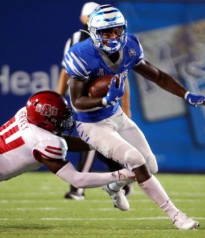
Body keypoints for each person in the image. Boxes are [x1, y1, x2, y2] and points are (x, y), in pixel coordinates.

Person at [63, 4, 205, 230]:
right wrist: (105, 99)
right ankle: (176, 216)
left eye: (117, 30)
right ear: (95, 32)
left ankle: (113, 187)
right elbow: (77, 102)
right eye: (107, 32)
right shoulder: (81, 54)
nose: (113, 36)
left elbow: (159, 76)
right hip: (91, 124)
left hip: (116, 115)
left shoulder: (131, 46)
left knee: (150, 166)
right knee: (135, 161)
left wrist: (186, 94)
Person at [0, 90, 135, 206]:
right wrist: (118, 175)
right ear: (46, 120)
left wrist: (100, 143)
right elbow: (77, 179)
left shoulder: (26, 112)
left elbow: (60, 139)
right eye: (60, 118)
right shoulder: (44, 142)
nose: (64, 122)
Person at [57, 2, 132, 200]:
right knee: (94, 145)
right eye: (91, 16)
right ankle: (122, 178)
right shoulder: (79, 40)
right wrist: (59, 97)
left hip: (102, 100)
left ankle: (78, 188)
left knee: (91, 141)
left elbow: (122, 77)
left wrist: (125, 106)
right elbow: (67, 71)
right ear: (84, 19)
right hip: (83, 97)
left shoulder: (115, 41)